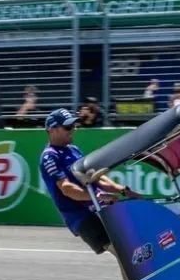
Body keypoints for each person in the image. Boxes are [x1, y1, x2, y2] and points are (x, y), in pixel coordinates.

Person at [38, 107, 130, 256]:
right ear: (52, 130)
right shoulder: (49, 157)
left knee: (130, 248)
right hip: (81, 217)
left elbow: (96, 177)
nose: (73, 130)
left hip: (99, 208)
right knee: (123, 253)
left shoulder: (74, 149)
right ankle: (139, 279)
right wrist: (97, 196)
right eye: (68, 127)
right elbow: (66, 188)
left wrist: (123, 190)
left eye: (74, 126)